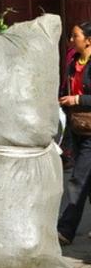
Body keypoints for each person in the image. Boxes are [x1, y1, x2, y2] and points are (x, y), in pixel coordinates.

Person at [58, 22, 91, 245]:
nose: (72, 39)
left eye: (75, 36)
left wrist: (77, 99)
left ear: (88, 40)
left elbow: (79, 96)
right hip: (77, 128)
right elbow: (65, 90)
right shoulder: (72, 63)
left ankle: (66, 230)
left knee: (78, 179)